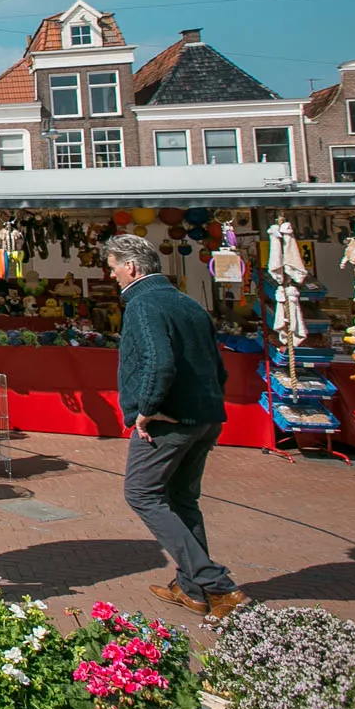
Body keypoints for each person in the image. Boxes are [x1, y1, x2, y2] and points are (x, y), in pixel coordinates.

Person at [107, 233, 249, 619]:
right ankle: (192, 589)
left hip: (167, 422)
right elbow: (217, 367)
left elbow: (159, 360)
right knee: (183, 499)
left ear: (131, 268)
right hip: (204, 417)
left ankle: (217, 584)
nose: (113, 275)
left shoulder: (142, 306)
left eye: (114, 267)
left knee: (142, 493)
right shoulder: (190, 304)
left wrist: (146, 409)